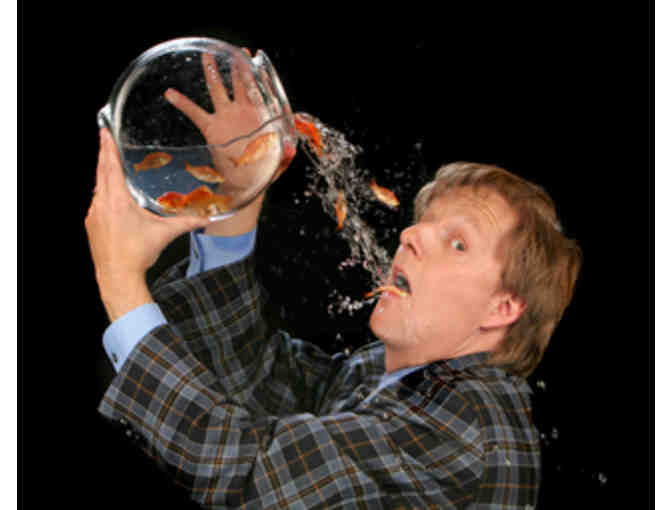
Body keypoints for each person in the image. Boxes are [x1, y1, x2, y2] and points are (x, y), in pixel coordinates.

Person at [86, 51, 581, 509]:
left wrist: (120, 280)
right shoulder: (382, 377)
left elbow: (253, 474)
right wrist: (239, 194)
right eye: (423, 222)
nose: (411, 235)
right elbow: (255, 378)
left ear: (503, 308)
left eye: (457, 243)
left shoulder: (470, 422)